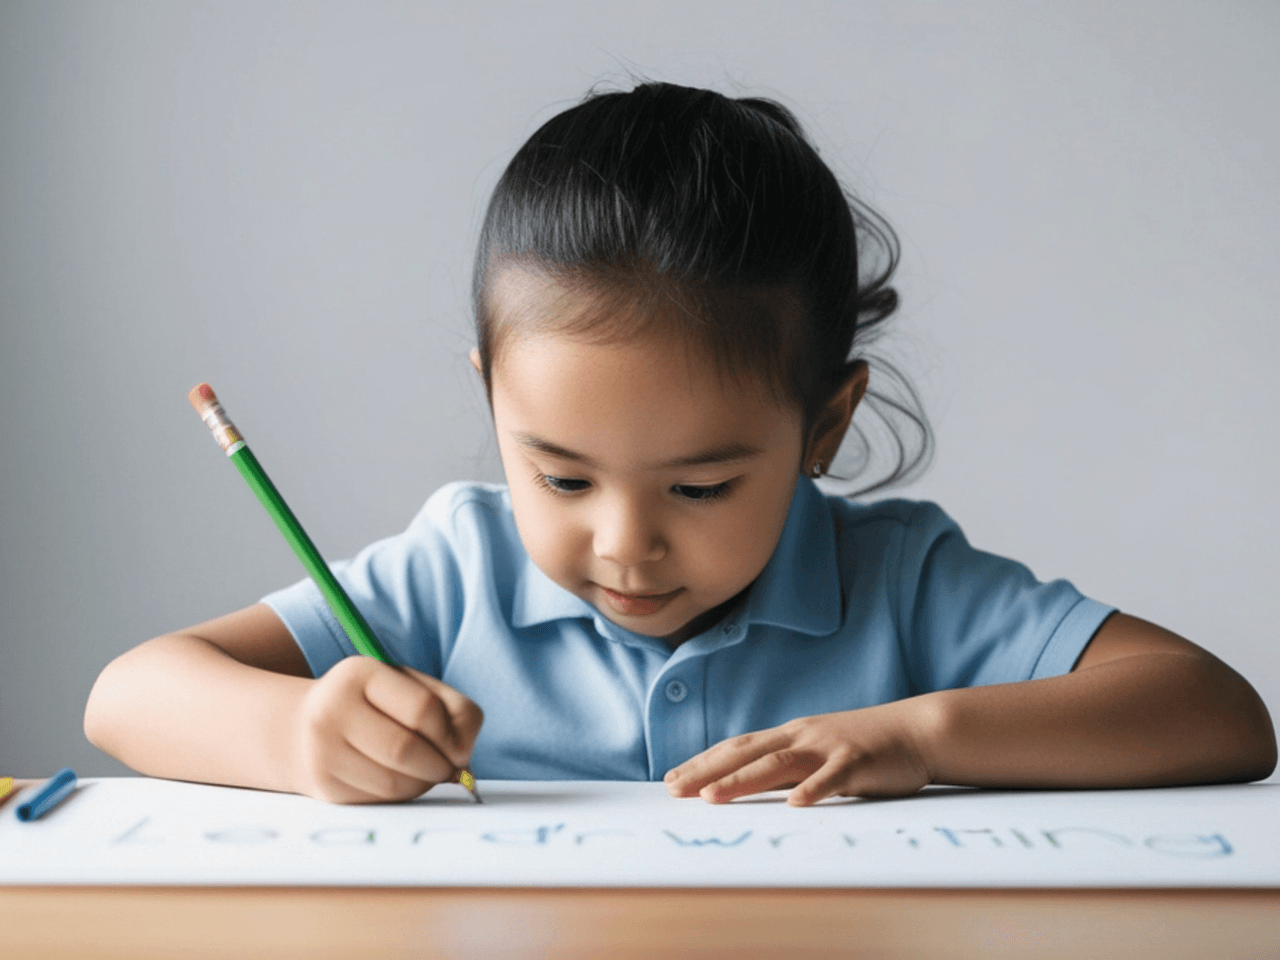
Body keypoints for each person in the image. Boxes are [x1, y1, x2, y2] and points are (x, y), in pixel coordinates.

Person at [84, 82, 1276, 806]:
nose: (624, 544)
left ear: (825, 425)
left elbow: (1215, 713)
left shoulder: (899, 583)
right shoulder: (458, 569)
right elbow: (127, 696)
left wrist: (914, 734)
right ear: (489, 400)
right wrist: (298, 735)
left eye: (701, 484)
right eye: (557, 473)